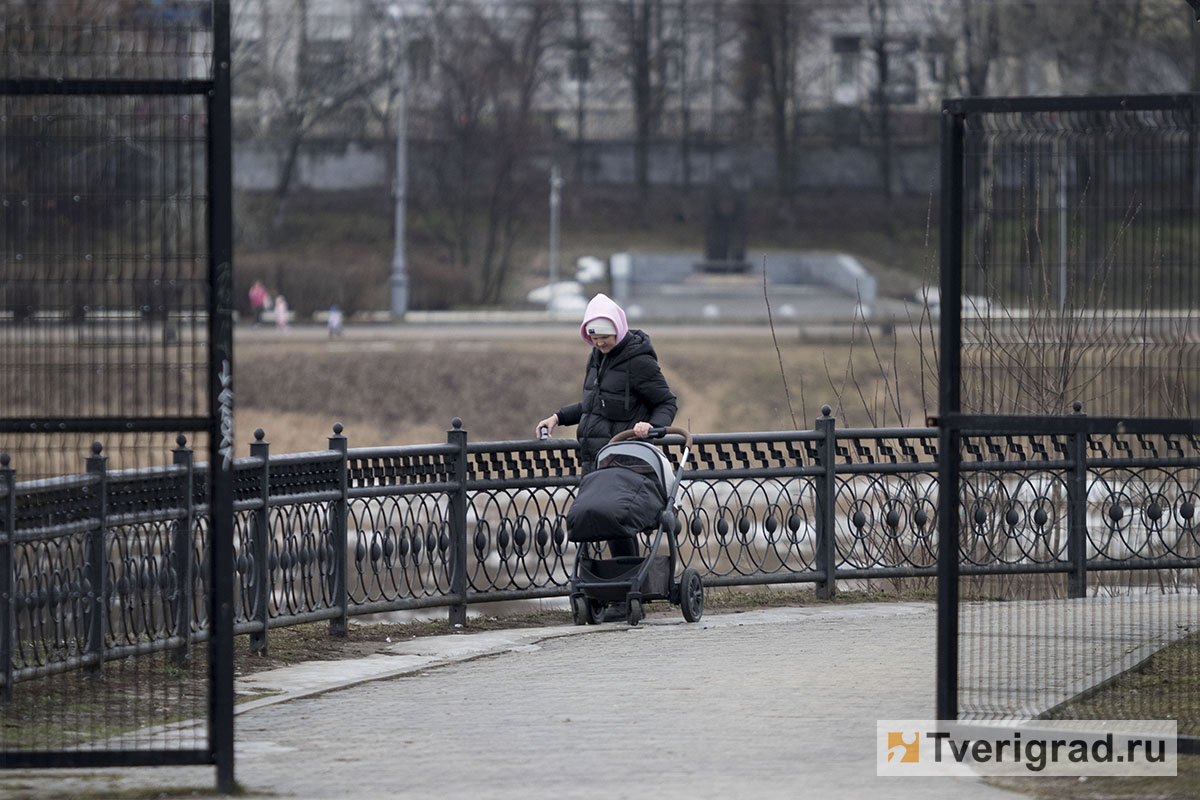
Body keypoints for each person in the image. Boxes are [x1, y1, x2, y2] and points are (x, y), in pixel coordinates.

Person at [535, 291, 677, 472]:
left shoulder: (639, 362)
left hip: (627, 464)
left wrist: (652, 426)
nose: (600, 343)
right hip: (593, 462)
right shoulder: (596, 359)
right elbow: (595, 405)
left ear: (618, 331)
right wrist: (557, 418)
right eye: (594, 338)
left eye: (605, 337)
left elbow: (667, 402)